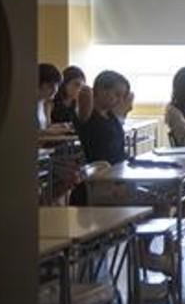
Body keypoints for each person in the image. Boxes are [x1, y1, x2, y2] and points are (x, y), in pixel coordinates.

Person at [73, 70, 134, 204]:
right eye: (116, 94)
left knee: (164, 195)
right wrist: (92, 91)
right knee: (159, 198)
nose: (119, 99)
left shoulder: (110, 115)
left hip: (119, 176)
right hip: (101, 184)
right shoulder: (87, 115)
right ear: (100, 90)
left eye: (122, 96)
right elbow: (85, 92)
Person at [36, 63, 67, 133]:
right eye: (50, 85)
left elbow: (43, 128)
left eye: (57, 85)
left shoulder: (43, 103)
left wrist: (60, 126)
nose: (55, 89)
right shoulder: (26, 106)